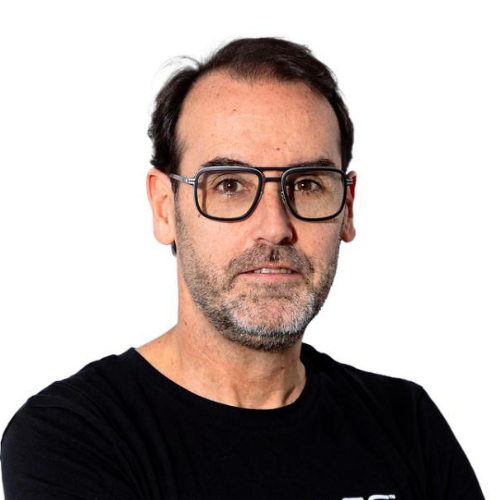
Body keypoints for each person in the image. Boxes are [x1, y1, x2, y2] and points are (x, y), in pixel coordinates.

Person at [1, 37, 484, 500]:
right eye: (229, 185)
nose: (275, 228)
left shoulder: (407, 424)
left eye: (308, 184)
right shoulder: (75, 434)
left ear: (348, 206)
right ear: (165, 208)